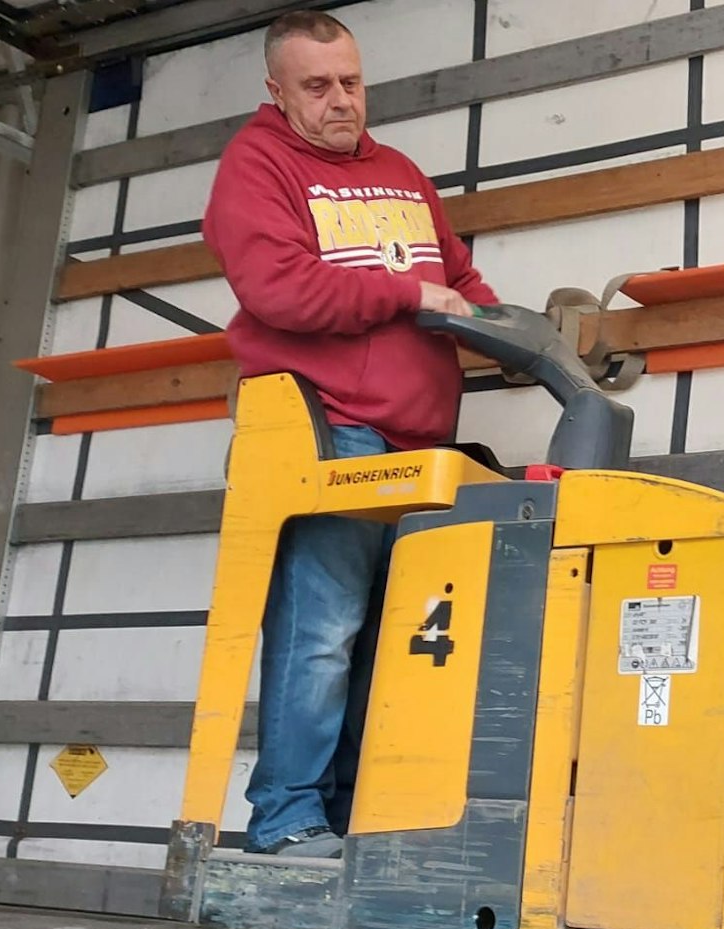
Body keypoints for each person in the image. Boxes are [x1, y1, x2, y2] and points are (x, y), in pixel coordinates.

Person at [203, 11, 497, 858]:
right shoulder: (256, 166)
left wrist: (501, 327)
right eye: (317, 86)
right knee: (322, 630)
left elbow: (459, 276)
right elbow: (280, 290)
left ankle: (345, 817)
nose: (341, 102)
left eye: (352, 83)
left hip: (420, 444)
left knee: (392, 640)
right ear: (277, 91)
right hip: (332, 426)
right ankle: (287, 815)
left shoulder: (401, 171)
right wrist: (411, 296)